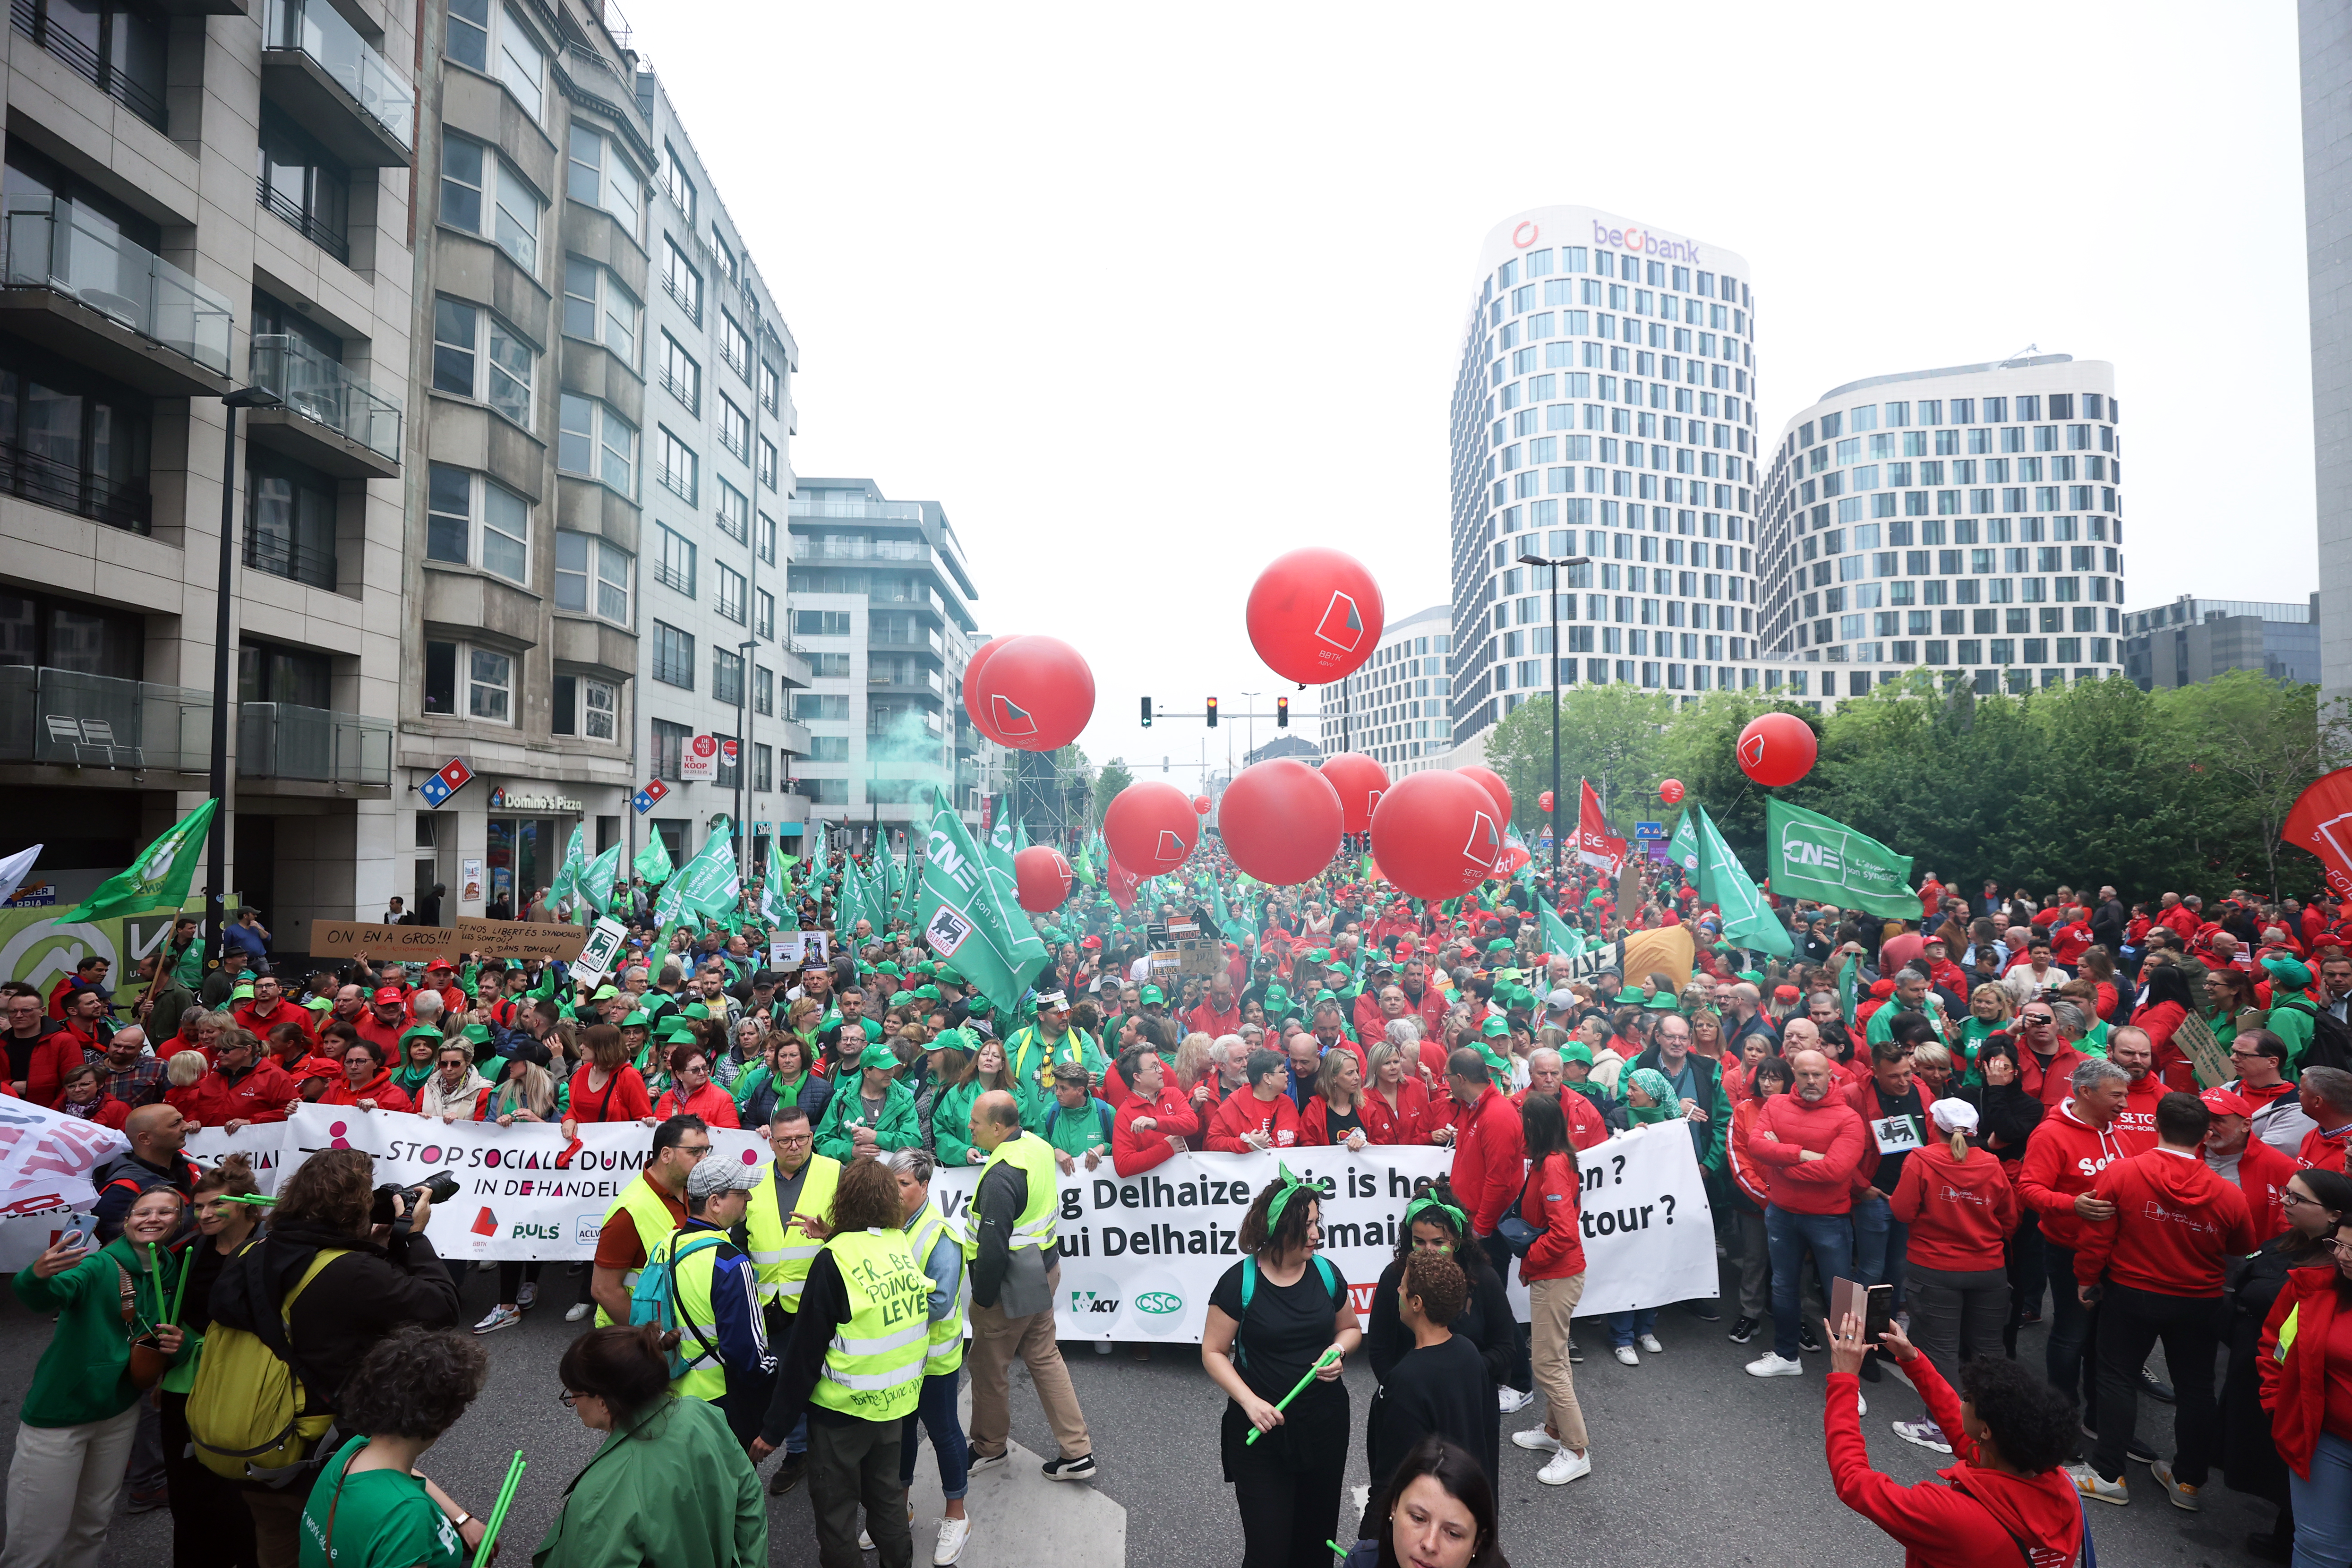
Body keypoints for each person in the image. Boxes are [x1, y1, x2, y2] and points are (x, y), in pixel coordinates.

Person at [198, 1146, 462, 1563]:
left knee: (276, 1544)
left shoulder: (251, 1251)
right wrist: (413, 1236)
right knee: (335, 1549)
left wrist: (370, 1249)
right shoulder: (352, 1271)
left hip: (250, 1443)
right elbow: (441, 1309)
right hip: (320, 1453)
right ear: (356, 1203)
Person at [2067, 1089, 2257, 1509]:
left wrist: (2085, 1280)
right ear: (2203, 1136)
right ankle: (2188, 1482)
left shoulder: (2122, 1172)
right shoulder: (2228, 1194)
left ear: (2156, 1126)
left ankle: (2108, 1473)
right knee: (2196, 1387)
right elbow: (2242, 1244)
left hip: (2132, 1292)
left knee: (2116, 1377)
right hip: (2199, 1299)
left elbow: (2096, 1237)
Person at [749, 1156, 928, 1568]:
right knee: (886, 1502)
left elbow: (804, 1355)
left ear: (843, 1200)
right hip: (893, 1408)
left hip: (841, 1413)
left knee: (836, 1512)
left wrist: (774, 1429)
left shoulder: (832, 1259)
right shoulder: (898, 1244)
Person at [2, 1185, 189, 1568]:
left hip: (119, 1410)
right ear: (127, 1220)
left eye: (165, 1212)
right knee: (36, 1540)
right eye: (143, 1212)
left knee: (92, 1524)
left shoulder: (171, 1266)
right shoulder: (100, 1264)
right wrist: (36, 1277)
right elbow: (48, 1295)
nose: (152, 1218)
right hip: (61, 1415)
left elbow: (173, 1333)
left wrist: (181, 1347)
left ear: (179, 1220)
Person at [1822, 1311, 2085, 1567]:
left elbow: (1853, 1480)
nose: (1959, 1402)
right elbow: (1965, 1437)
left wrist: (1844, 1380)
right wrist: (1914, 1360)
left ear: (1986, 1431)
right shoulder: (2062, 1488)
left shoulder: (1954, 1518)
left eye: (1967, 1400)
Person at [1202, 1166, 1363, 1568]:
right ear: (1280, 1228)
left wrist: (1337, 1352)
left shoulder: (1326, 1273)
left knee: (1314, 1544)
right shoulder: (1239, 1282)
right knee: (1269, 1550)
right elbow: (1213, 1351)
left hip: (1323, 1428)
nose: (1316, 1234)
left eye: (1317, 1222)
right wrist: (1249, 1402)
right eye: (1307, 1225)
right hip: (1261, 1435)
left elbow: (1350, 1329)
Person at [538, 1324, 768, 1567]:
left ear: (603, 1402)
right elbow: (750, 1498)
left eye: (573, 1394)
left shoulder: (599, 1494)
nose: (572, 1401)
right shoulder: (701, 1413)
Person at [959, 1089, 1094, 1480]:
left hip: (1008, 1287)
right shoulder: (1035, 1143)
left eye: (977, 1123)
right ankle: (1077, 1452)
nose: (970, 1128)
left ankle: (989, 1446)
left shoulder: (1001, 1175)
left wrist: (983, 1300)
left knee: (987, 1365)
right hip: (1044, 1271)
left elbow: (991, 1250)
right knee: (1044, 1356)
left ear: (998, 1127)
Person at [2223, 1168, 2352, 1562]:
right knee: (2316, 1547)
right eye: (2338, 1246)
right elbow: (2278, 1344)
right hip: (2325, 1439)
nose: (2342, 1256)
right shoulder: (2314, 1286)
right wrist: (2279, 1403)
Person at [1886, 1098, 2017, 1454]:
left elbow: (1900, 1210)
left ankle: (1941, 1425)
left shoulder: (1921, 1160)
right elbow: (2009, 1218)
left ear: (1934, 1127)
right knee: (1989, 1349)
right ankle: (1994, 1422)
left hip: (1934, 1269)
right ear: (1975, 1131)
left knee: (1939, 1348)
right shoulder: (1991, 1164)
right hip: (1988, 1269)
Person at [295, 1326, 490, 1567]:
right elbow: (401, 1501)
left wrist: (463, 1520)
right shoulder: (407, 1513)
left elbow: (403, 1476)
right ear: (445, 1419)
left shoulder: (354, 1451)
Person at [1745, 1048, 1868, 1378]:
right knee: (1783, 1286)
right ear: (1793, 1075)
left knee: (1841, 1295)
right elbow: (1756, 1146)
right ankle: (1786, 1355)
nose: (1811, 1080)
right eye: (1803, 1074)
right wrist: (1803, 1154)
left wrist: (1781, 1162)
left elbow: (1836, 1171)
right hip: (1782, 1213)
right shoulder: (1774, 1105)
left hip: (1829, 1218)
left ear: (1830, 1075)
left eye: (1817, 1074)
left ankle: (1848, 1375)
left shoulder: (1848, 1118)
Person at [642, 1153, 773, 1444]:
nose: (749, 1198)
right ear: (715, 1202)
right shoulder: (731, 1263)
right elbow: (746, 1354)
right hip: (718, 1402)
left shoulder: (664, 1245)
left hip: (668, 1393)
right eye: (741, 1193)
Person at [745, 1101, 840, 1495]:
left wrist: (832, 1233)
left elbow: (859, 1227)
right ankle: (799, 1452)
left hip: (820, 1299)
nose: (794, 1146)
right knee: (786, 1382)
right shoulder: (752, 1180)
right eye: (785, 1140)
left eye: (802, 1138)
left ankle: (829, 1453)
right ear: (772, 1142)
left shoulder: (835, 1172)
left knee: (823, 1381)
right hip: (771, 1305)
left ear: (812, 1137)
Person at [889, 1148, 973, 1567]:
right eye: (893, 1181)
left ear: (924, 1186)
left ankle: (956, 1515)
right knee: (901, 1433)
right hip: (898, 1357)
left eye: (904, 1183)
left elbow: (939, 1303)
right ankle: (899, 1508)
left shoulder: (939, 1235)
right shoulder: (888, 1224)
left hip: (934, 1360)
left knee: (943, 1433)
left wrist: (885, 1304)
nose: (896, 1189)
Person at [1365, 1251, 1499, 1507]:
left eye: (1402, 1287)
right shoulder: (1469, 1353)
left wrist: (1372, 1532)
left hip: (1427, 1510)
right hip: (1464, 1499)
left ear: (1416, 1303)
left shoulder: (1406, 1379)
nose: (1397, 1290)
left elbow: (1395, 1469)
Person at [1511, 1090, 1592, 1486]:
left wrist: (1530, 1260)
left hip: (1556, 1276)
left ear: (1534, 1126)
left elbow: (1563, 1233)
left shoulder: (1554, 1165)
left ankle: (1576, 1450)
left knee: (1547, 1364)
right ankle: (1553, 1431)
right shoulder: (1552, 1160)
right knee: (1555, 1357)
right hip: (1553, 1273)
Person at [587, 1115, 707, 1326]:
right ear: (666, 1155)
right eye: (695, 1152)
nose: (704, 1159)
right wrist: (649, 1339)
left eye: (707, 1150)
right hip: (640, 1345)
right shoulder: (629, 1211)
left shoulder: (692, 1190)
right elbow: (603, 1289)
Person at [1365, 1434, 1509, 1568]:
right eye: (1418, 1518)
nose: (1430, 1544)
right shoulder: (1363, 1562)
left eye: (1453, 1534)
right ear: (1394, 1507)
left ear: (1477, 1543)